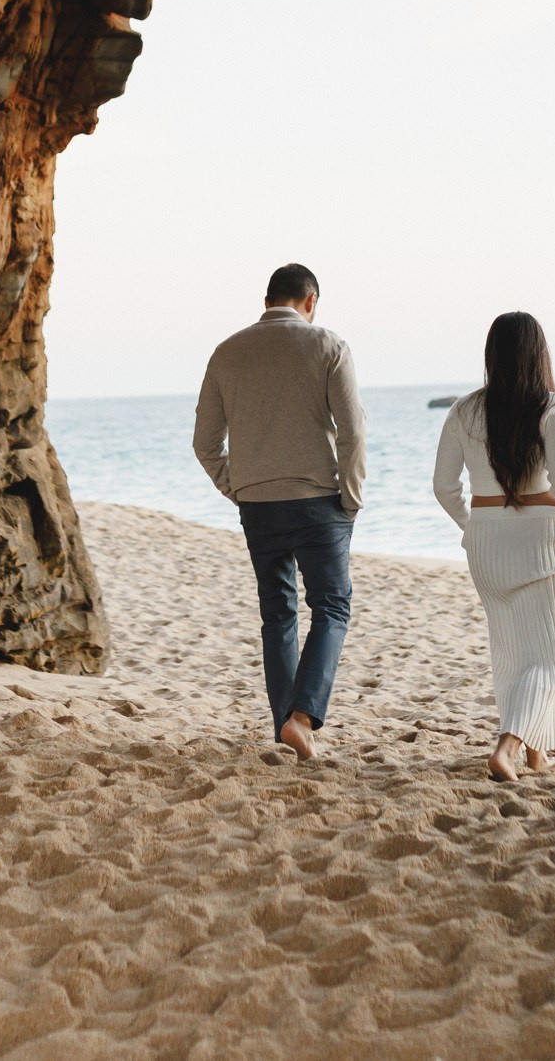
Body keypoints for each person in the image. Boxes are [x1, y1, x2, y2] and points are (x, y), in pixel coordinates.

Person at [193, 263, 367, 759]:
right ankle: (302, 716)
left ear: (268, 299)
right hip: (318, 502)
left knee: (278, 614)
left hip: (257, 505)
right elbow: (353, 431)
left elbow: (204, 442)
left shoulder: (227, 352)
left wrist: (238, 486)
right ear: (309, 301)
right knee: (332, 605)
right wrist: (351, 496)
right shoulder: (329, 346)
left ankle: (286, 729)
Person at [433, 311, 555, 781]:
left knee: (510, 652)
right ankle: (507, 748)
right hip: (542, 538)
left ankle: (537, 753)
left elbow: (444, 486)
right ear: (538, 353)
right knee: (548, 655)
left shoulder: (464, 410)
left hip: (486, 542)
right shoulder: (552, 407)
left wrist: (472, 525)